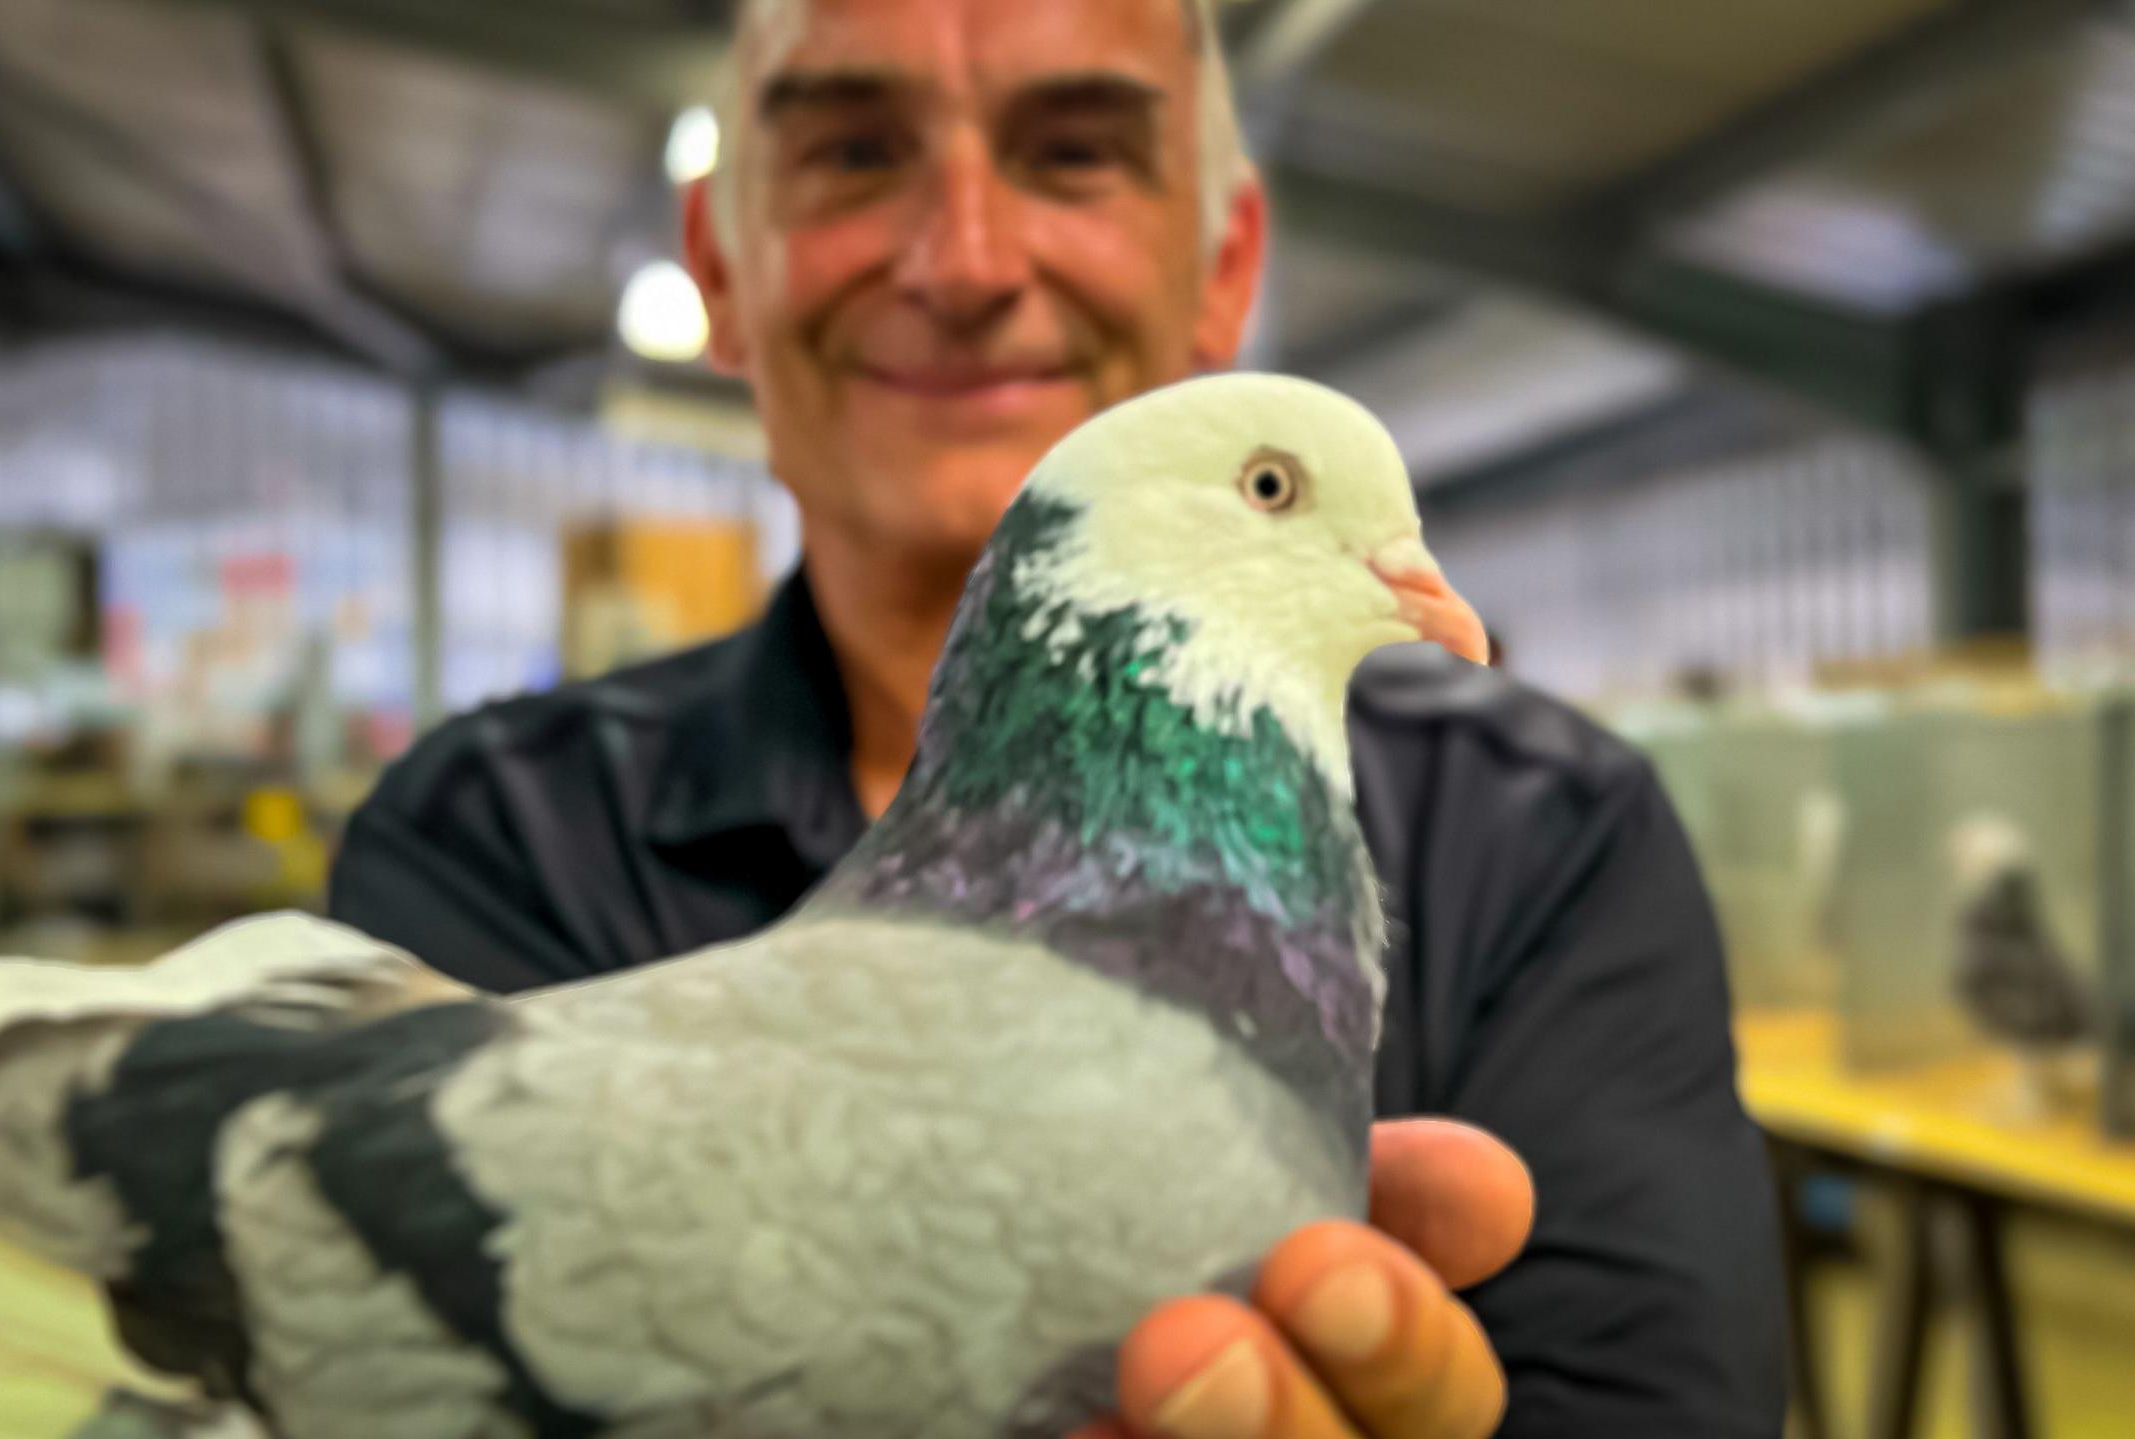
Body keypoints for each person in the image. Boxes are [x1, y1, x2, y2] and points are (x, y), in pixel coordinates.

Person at [332, 0, 1786, 1433]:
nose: (964, 261)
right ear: (717, 261)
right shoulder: (489, 838)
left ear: (1226, 264)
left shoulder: (1547, 840)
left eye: (1076, 153)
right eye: (852, 153)